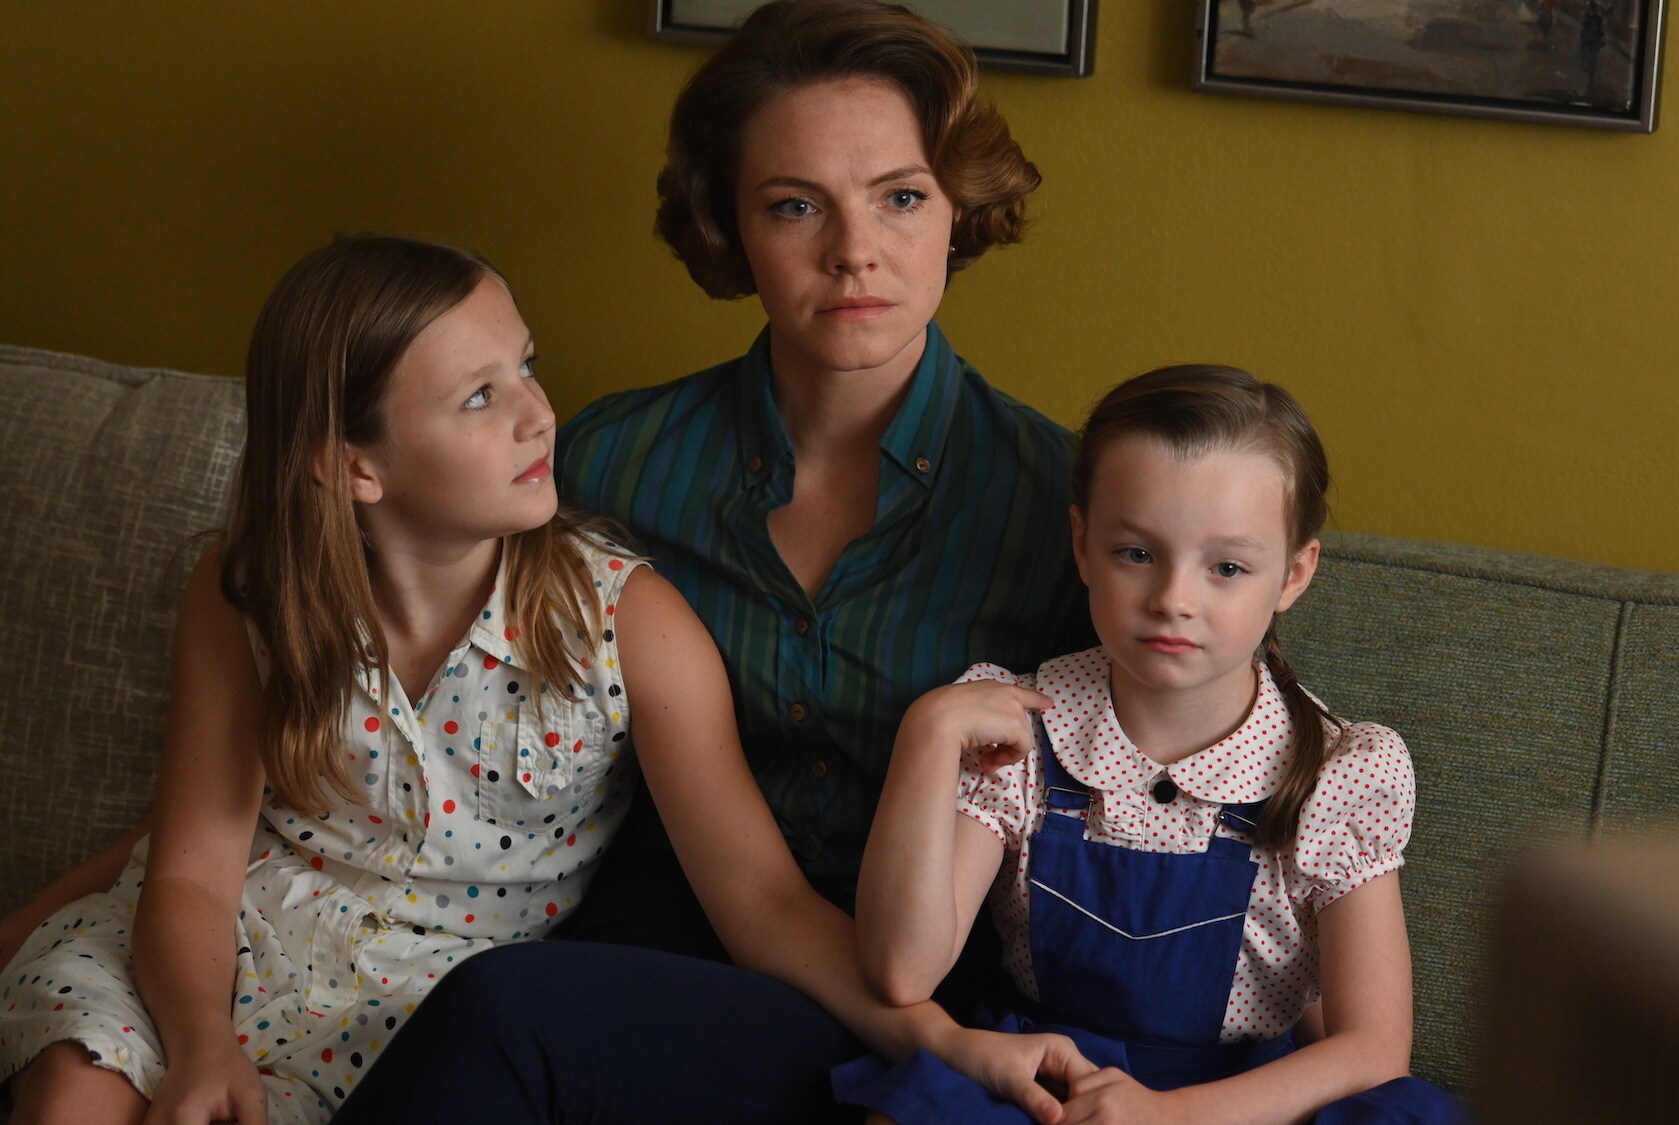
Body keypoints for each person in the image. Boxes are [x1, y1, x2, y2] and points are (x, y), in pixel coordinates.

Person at [330, 2, 1096, 1121]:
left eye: (899, 196)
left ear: (957, 211)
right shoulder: (607, 462)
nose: (853, 252)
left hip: (910, 971)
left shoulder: (1060, 506)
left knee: (506, 1015)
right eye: (795, 207)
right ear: (730, 230)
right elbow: (387, 698)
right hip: (651, 928)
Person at [0, 234, 659, 1123]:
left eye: (527, 366)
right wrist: (201, 1045)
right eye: (479, 396)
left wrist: (893, 1019)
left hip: (413, 1007)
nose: (539, 412)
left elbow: (759, 895)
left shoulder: (620, 619)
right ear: (354, 465)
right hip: (206, 950)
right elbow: (193, 870)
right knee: (76, 1091)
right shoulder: (252, 591)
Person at [836, 366, 1463, 1122]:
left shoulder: (1337, 771)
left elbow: (1373, 1048)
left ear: (1294, 573)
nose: (1174, 598)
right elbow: (901, 971)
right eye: (1137, 553)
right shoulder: (1021, 731)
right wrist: (927, 735)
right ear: (1082, 543)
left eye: (1226, 567)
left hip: (1240, 1098)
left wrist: (1172, 1116)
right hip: (1054, 1079)